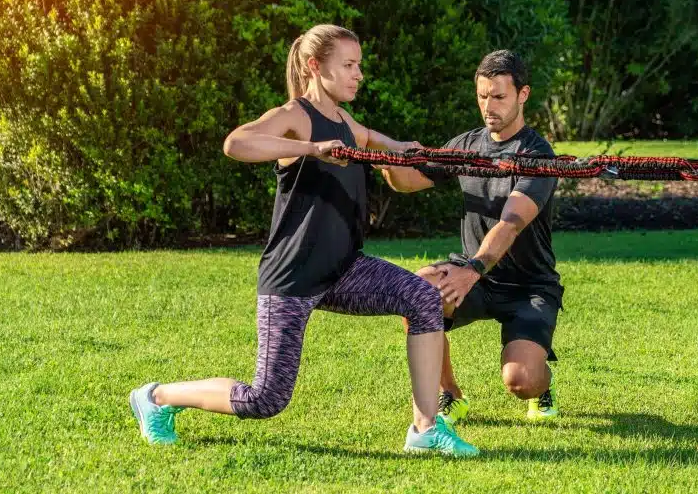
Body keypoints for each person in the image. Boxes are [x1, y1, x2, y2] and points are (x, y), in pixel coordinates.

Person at [128, 24, 479, 457]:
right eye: (348, 65)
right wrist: (312, 149)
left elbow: (383, 144)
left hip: (345, 268)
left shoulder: (343, 120)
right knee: (266, 398)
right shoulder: (298, 116)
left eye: (359, 66)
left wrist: (416, 150)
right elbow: (236, 143)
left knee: (422, 298)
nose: (358, 75)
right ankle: (156, 398)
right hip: (293, 277)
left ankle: (425, 429)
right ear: (315, 66)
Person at [382, 50, 561, 426]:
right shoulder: (467, 145)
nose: (488, 106)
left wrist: (474, 269)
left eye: (499, 97)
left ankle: (543, 382)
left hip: (528, 284)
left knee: (520, 381)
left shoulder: (538, 154)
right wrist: (390, 162)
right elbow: (411, 182)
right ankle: (450, 394)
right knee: (415, 291)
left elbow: (509, 223)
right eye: (482, 96)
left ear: (523, 94)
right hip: (476, 273)